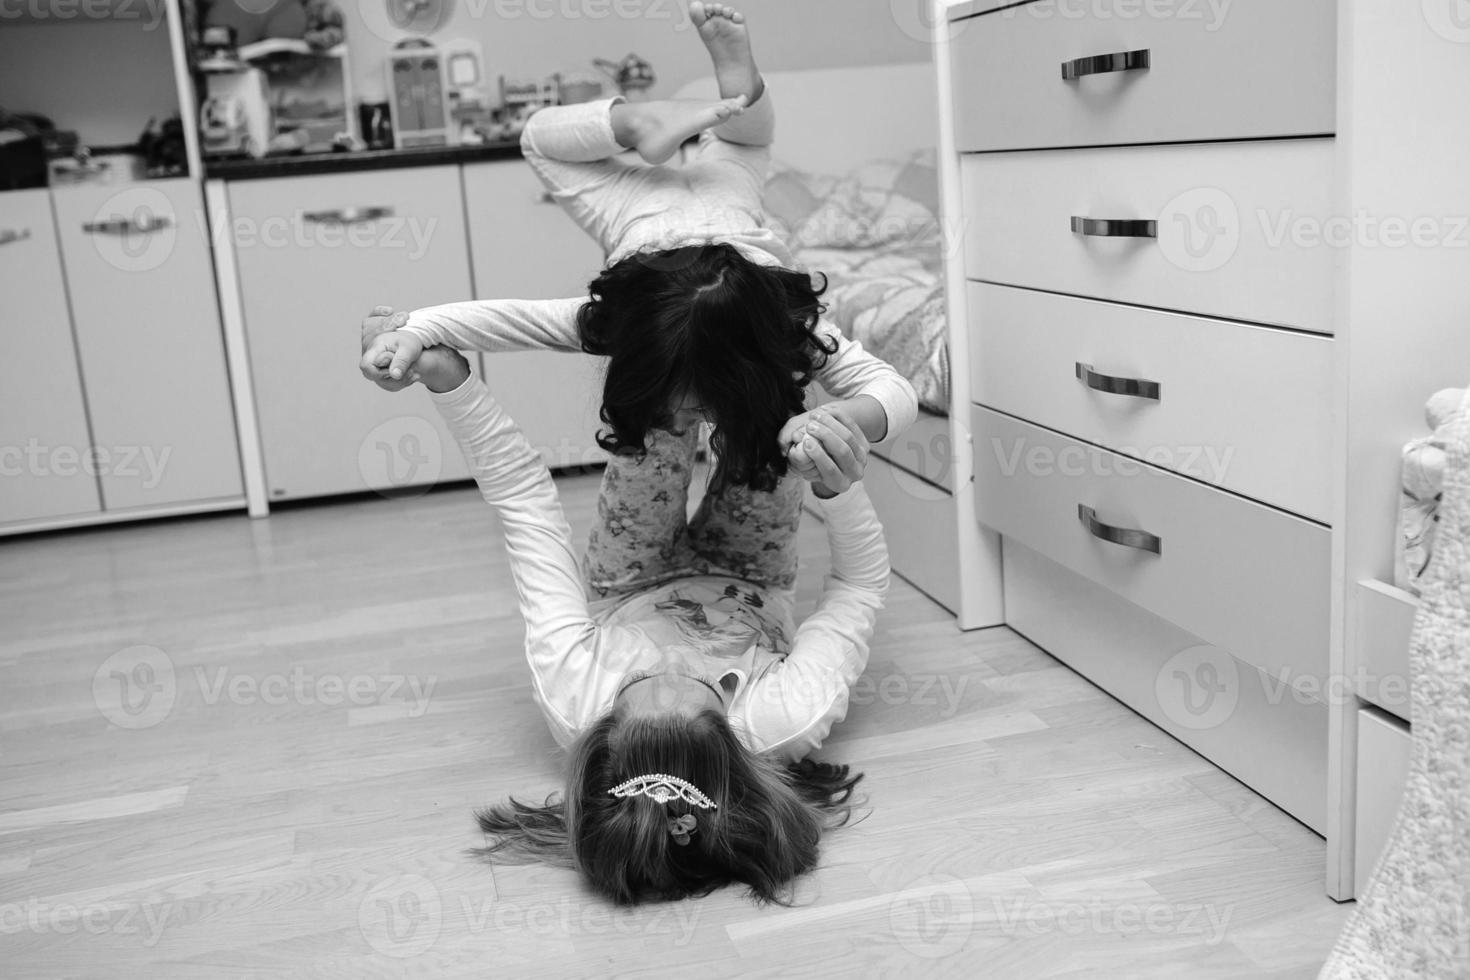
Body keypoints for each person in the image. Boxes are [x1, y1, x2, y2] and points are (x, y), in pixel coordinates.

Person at [384, 343, 889, 905]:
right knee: (766, 400)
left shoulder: (574, 693)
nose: (675, 657)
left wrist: (451, 383)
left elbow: (525, 500)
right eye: (697, 685)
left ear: (602, 725)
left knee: (659, 389)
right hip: (750, 574)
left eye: (640, 683)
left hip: (631, 576)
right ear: (737, 742)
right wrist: (835, 487)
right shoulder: (788, 715)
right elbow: (859, 586)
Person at [359, 2, 919, 494]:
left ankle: (656, 115)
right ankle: (709, 96)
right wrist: (413, 333)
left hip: (697, 207)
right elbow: (894, 392)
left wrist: (413, 331)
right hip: (648, 218)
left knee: (742, 144)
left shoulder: (754, 323)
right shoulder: (765, 328)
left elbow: (491, 321)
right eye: (692, 396)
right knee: (542, 141)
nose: (695, 415)